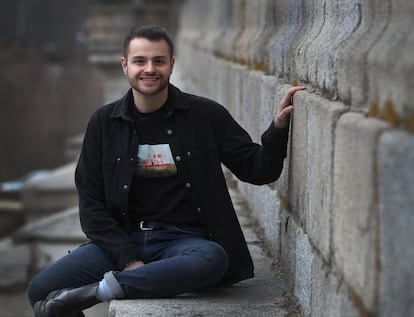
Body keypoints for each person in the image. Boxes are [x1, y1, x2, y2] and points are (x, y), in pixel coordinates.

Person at [27, 24, 305, 317]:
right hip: (124, 238)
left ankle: (99, 291)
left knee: (213, 259)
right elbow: (91, 204)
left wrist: (277, 130)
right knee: (40, 290)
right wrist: (128, 259)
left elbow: (257, 170)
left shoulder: (204, 115)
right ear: (125, 66)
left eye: (159, 61)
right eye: (140, 61)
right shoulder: (103, 123)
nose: (150, 69)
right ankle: (117, 283)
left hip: (185, 243)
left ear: (172, 64)